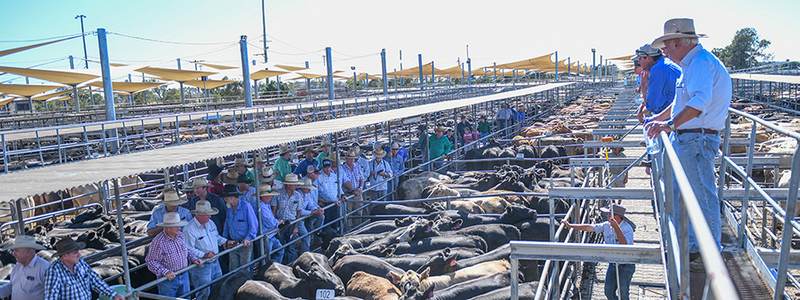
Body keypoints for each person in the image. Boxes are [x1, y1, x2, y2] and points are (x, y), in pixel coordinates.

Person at [646, 18, 731, 257]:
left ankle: (707, 252)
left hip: (696, 139)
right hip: (689, 137)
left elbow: (698, 104)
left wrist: (670, 124)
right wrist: (661, 119)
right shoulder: (691, 65)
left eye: (666, 46)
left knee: (702, 196)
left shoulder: (701, 64)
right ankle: (694, 245)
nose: (663, 51)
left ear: (678, 42)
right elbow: (680, 102)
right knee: (686, 192)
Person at [562, 204, 636, 300]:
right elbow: (590, 227)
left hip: (626, 264)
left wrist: (616, 228)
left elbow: (625, 246)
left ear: (616, 217)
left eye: (609, 214)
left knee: (623, 292)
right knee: (608, 291)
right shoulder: (606, 225)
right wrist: (571, 225)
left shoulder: (627, 228)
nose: (607, 216)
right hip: (613, 263)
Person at [44, 238, 123, 300]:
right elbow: (51, 297)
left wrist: (113, 295)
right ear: (64, 256)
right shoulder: (54, 272)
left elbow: (94, 280)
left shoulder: (80, 263)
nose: (79, 254)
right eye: (75, 252)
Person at [146, 212, 202, 297]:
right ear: (167, 228)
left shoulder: (180, 236)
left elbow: (186, 250)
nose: (179, 228)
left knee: (186, 297)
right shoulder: (158, 242)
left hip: (184, 274)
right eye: (176, 226)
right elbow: (151, 261)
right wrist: (165, 272)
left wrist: (193, 258)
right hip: (168, 280)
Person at [183, 201, 226, 300]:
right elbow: (188, 249)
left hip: (215, 261)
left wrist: (226, 242)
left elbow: (216, 237)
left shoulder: (210, 223)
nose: (210, 217)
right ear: (199, 215)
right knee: (203, 292)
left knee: (218, 287)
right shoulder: (189, 229)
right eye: (207, 214)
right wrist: (204, 255)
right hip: (201, 266)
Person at [635, 44, 681, 124]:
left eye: (640, 58)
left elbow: (652, 106)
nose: (638, 62)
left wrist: (643, 85)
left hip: (673, 121)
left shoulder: (658, 70)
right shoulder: (666, 64)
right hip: (679, 116)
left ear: (648, 58)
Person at [221, 184, 258, 272]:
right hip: (233, 243)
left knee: (245, 269)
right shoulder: (229, 209)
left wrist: (248, 238)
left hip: (244, 243)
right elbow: (227, 224)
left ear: (232, 197)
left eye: (226, 197)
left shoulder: (246, 206)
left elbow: (254, 224)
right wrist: (224, 240)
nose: (225, 199)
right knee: (233, 268)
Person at [0, 235, 50, 300]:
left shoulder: (44, 268)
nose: (13, 253)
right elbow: (12, 286)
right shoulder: (17, 266)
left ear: (28, 251)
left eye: (16, 250)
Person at [272, 173, 303, 264]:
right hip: (280, 223)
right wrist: (275, 224)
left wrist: (296, 226)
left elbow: (299, 212)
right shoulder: (278, 194)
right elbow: (274, 210)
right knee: (281, 245)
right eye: (294, 184)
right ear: (288, 184)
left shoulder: (298, 195)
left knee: (291, 246)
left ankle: (291, 264)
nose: (295, 186)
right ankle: (283, 264)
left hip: (292, 223)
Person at [257, 184, 285, 263]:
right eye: (268, 195)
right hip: (266, 236)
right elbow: (270, 222)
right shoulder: (261, 207)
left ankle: (275, 266)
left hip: (270, 234)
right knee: (266, 258)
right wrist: (278, 222)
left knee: (280, 250)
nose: (270, 197)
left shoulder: (266, 205)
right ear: (262, 197)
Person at [297, 177, 324, 253]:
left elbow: (311, 204)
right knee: (305, 235)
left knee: (321, 216)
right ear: (303, 188)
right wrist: (312, 212)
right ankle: (305, 253)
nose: (309, 190)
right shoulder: (298, 194)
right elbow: (299, 211)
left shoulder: (307, 194)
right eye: (308, 188)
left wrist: (317, 209)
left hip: (305, 215)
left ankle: (316, 234)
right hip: (298, 218)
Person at [338, 150, 364, 227]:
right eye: (350, 158)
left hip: (357, 192)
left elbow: (362, 178)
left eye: (353, 158)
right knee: (348, 213)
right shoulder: (342, 168)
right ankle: (349, 230)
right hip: (348, 194)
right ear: (346, 159)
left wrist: (360, 188)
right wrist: (352, 190)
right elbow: (344, 182)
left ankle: (358, 228)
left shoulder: (357, 166)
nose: (352, 160)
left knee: (358, 212)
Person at [316, 159, 342, 231]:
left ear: (331, 167)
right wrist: (319, 200)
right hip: (325, 204)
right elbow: (316, 191)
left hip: (335, 203)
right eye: (325, 167)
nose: (327, 169)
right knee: (327, 223)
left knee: (335, 222)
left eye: (328, 167)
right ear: (323, 167)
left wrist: (341, 195)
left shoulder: (334, 176)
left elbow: (338, 188)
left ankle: (336, 232)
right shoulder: (318, 177)